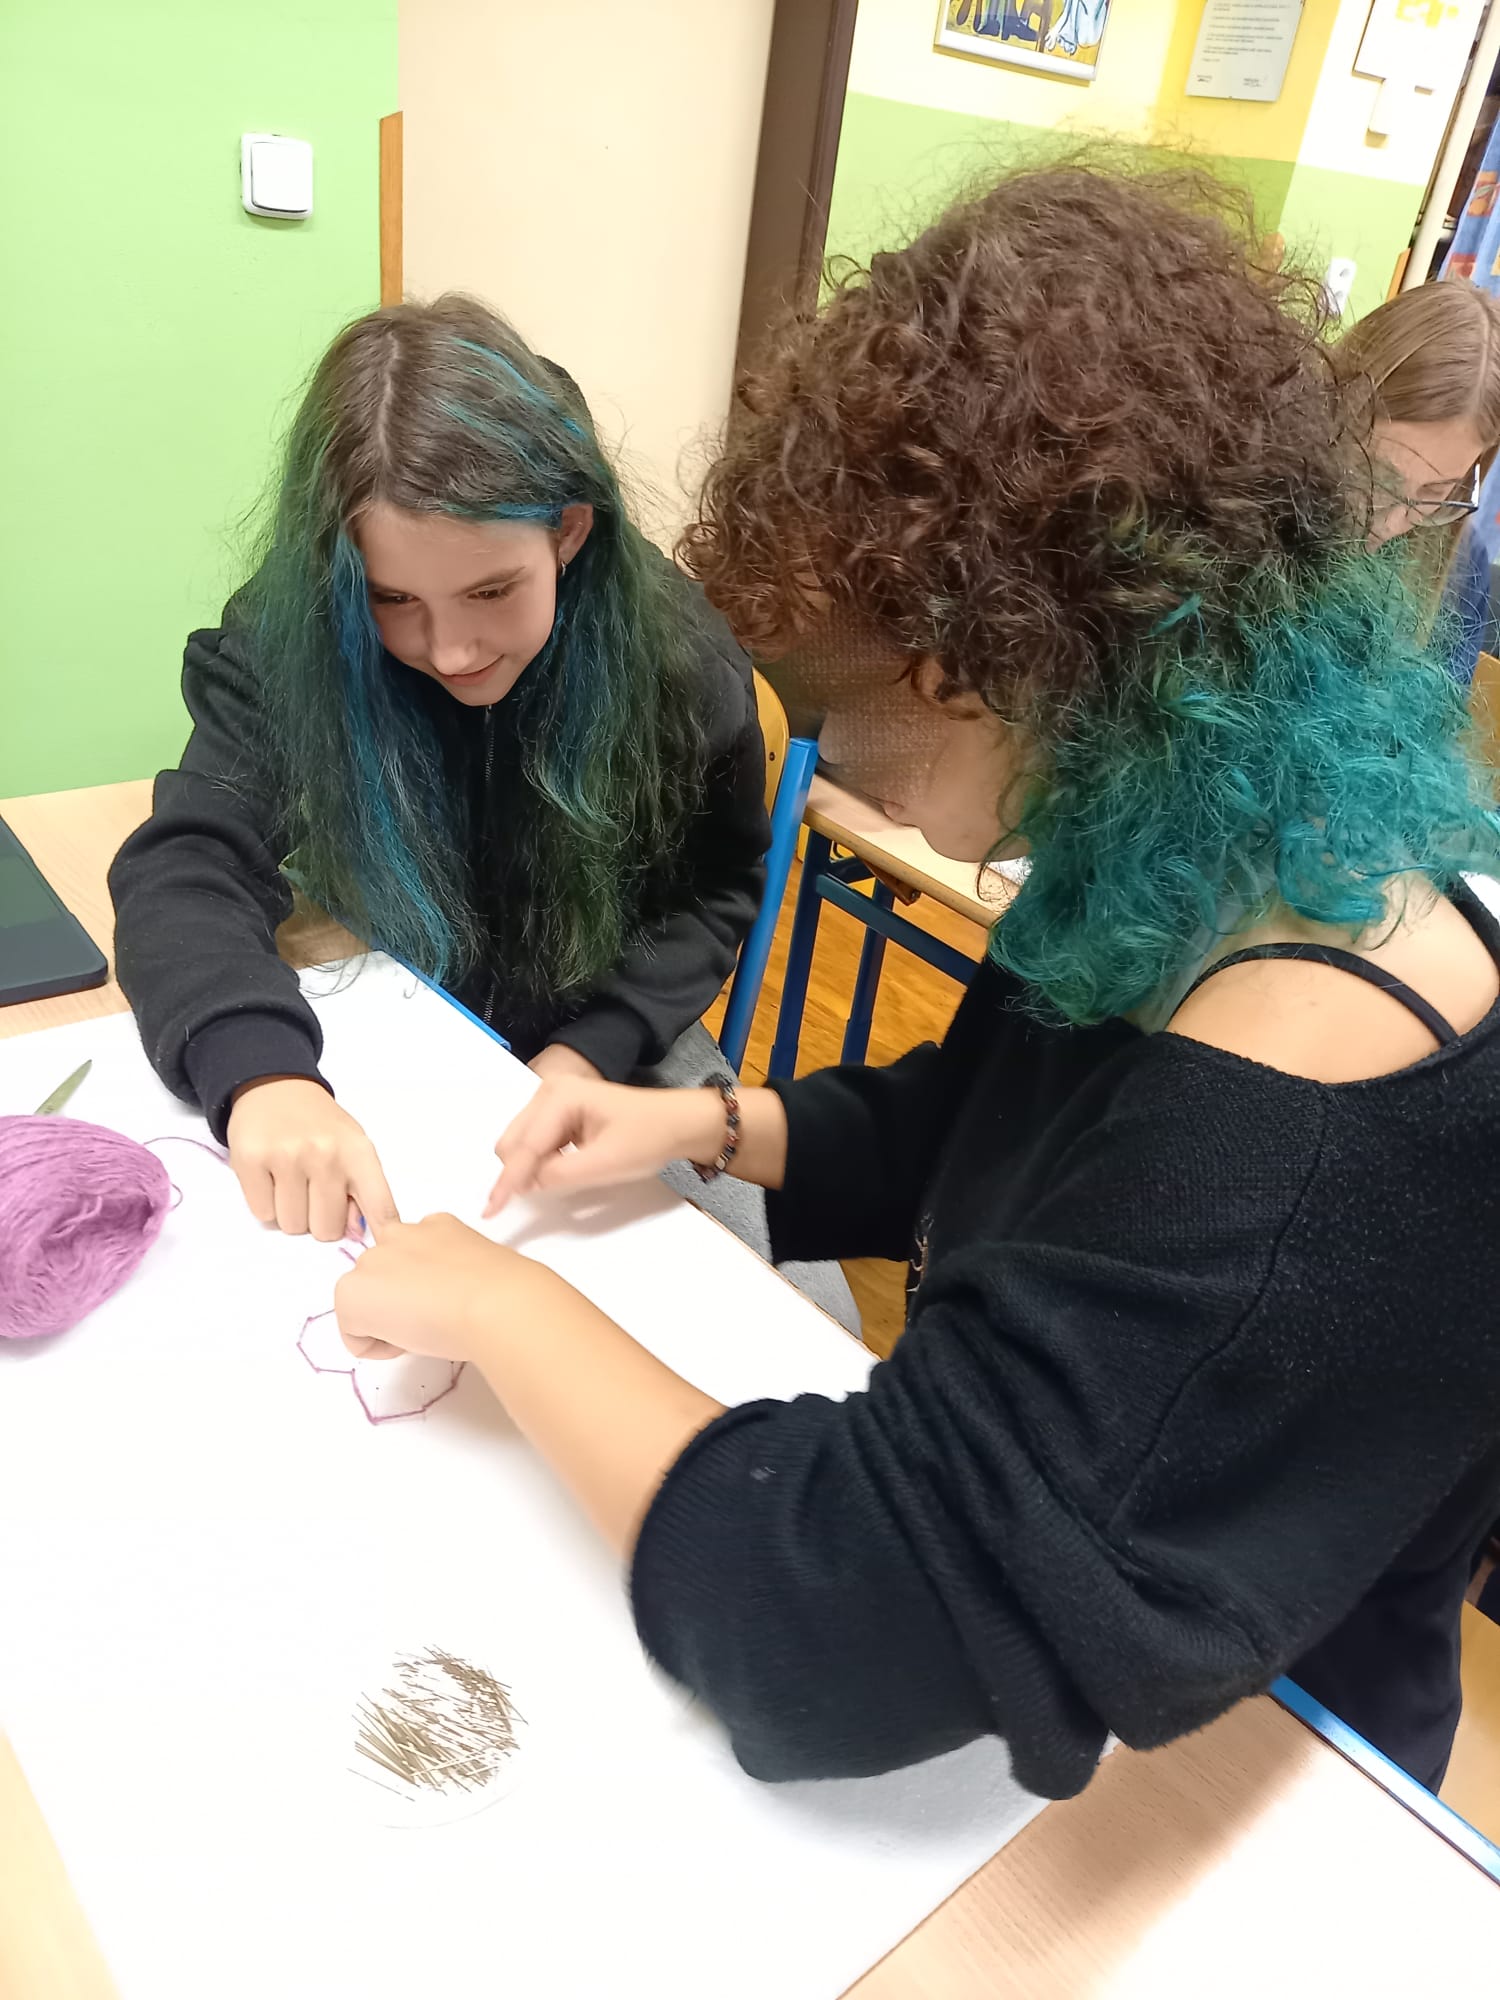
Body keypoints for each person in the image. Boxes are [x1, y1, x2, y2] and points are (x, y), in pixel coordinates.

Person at [332, 164, 1500, 1798]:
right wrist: (703, 1125)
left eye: (888, 693)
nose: (854, 774)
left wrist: (500, 1304)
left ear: (1033, 657)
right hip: (1100, 1659)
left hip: (1266, 1781)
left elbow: (840, 1622)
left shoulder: (1306, 1082)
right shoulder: (1177, 847)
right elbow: (976, 1127)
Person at [109, 297, 769, 1243]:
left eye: (492, 591)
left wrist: (593, 1049)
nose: (453, 650)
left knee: (795, 1289)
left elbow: (712, 892)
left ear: (569, 533)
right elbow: (189, 859)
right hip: (390, 1005)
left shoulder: (681, 663)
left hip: (611, 1024)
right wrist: (261, 1071)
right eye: (392, 599)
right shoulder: (291, 633)